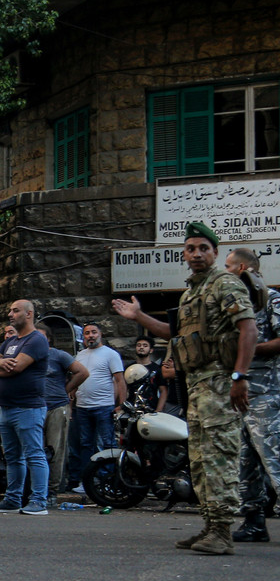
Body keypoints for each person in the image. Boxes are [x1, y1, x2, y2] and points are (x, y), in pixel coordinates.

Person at [112, 222, 256, 555]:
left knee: (219, 458)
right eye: (191, 248)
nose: (197, 254)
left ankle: (222, 531)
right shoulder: (191, 292)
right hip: (197, 387)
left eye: (203, 248)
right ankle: (210, 526)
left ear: (215, 253)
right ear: (184, 254)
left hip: (220, 383)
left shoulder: (226, 284)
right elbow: (172, 333)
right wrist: (138, 316)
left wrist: (240, 377)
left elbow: (248, 330)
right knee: (201, 460)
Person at [223, 248, 280, 543]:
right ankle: (254, 522)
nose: (225, 269)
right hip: (239, 398)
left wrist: (247, 350)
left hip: (267, 395)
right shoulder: (235, 305)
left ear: (243, 268)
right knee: (244, 464)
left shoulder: (272, 298)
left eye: (229, 265)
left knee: (275, 459)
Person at [0, 299, 51, 515]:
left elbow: (16, 368)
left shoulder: (36, 340)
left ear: (29, 314)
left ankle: (39, 502)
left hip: (28, 408)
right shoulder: (11, 341)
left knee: (34, 454)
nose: (10, 314)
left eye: (15, 311)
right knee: (13, 457)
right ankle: (13, 499)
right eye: (10, 310)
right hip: (7, 408)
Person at [69, 322, 126, 494]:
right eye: (87, 333)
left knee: (107, 444)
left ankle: (106, 480)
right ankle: (87, 481)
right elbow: (75, 379)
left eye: (94, 332)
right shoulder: (79, 355)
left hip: (103, 407)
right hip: (82, 407)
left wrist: (121, 405)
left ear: (100, 334)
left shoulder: (111, 354)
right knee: (85, 444)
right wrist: (71, 400)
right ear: (83, 336)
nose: (90, 335)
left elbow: (120, 380)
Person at [35, 323, 88, 505]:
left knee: (55, 450)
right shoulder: (29, 356)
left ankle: (52, 491)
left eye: (42, 336)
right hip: (34, 407)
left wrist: (66, 389)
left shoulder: (59, 355)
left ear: (49, 338)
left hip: (56, 407)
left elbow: (82, 372)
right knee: (36, 451)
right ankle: (36, 490)